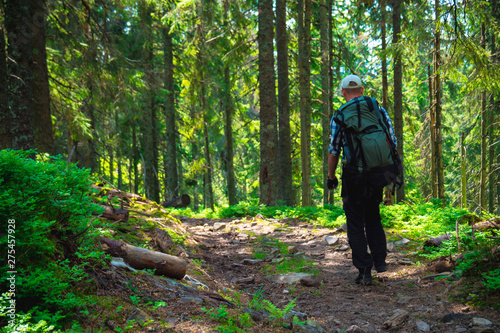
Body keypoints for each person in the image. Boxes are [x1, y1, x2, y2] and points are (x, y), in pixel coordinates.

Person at [327, 74, 397, 285]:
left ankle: (364, 270)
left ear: (343, 92)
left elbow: (334, 149)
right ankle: (380, 262)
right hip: (376, 173)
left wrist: (332, 177)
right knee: (373, 215)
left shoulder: (340, 115)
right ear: (362, 89)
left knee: (355, 222)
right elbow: (392, 140)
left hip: (353, 174)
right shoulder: (377, 109)